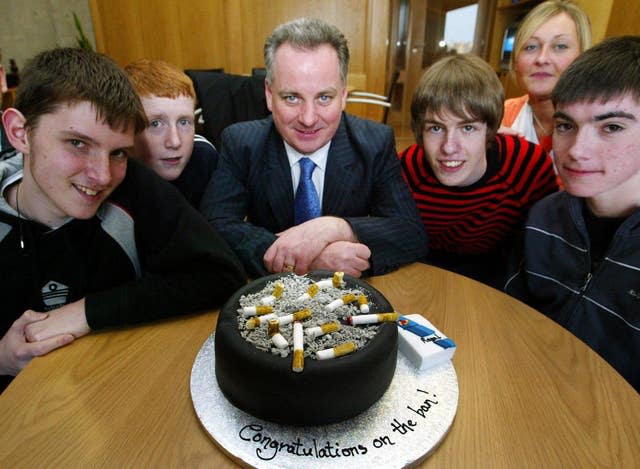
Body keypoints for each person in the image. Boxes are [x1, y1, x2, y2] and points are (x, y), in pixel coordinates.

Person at [0, 48, 246, 390]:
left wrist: (85, 313)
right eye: (77, 143)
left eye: (117, 152)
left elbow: (220, 274)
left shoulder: (133, 184)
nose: (102, 175)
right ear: (19, 132)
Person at [201, 17, 428, 278]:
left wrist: (336, 228)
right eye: (292, 97)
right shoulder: (241, 143)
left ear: (343, 96)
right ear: (269, 94)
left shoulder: (375, 143)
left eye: (324, 97)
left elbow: (411, 233)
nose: (308, 118)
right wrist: (310, 260)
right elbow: (214, 227)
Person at [504, 36, 640, 392]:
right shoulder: (542, 219)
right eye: (566, 126)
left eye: (611, 127)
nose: (577, 150)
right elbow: (508, 315)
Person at [399, 54, 558, 286]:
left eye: (468, 128)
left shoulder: (526, 165)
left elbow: (544, 247)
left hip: (497, 278)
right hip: (423, 271)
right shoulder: (407, 169)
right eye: (435, 128)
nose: (449, 147)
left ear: (491, 130)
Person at [124, 59, 218, 208]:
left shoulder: (204, 158)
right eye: (155, 124)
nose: (175, 142)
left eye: (184, 122)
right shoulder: (110, 175)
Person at [502, 0, 591, 155]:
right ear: (516, 61)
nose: (542, 59)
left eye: (560, 46)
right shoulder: (500, 115)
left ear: (582, 57)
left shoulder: (601, 129)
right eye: (531, 47)